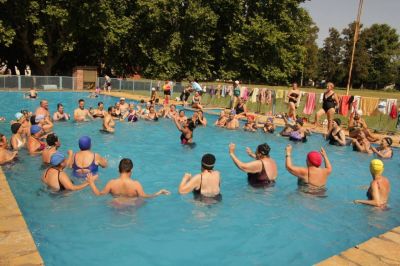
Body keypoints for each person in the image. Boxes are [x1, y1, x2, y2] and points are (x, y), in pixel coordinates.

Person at [86, 158, 170, 197]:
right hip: (131, 211)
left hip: (115, 210)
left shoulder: (111, 183)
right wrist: (159, 192)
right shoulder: (136, 185)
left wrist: (91, 183)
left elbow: (99, 194)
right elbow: (146, 197)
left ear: (118, 170)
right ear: (131, 171)